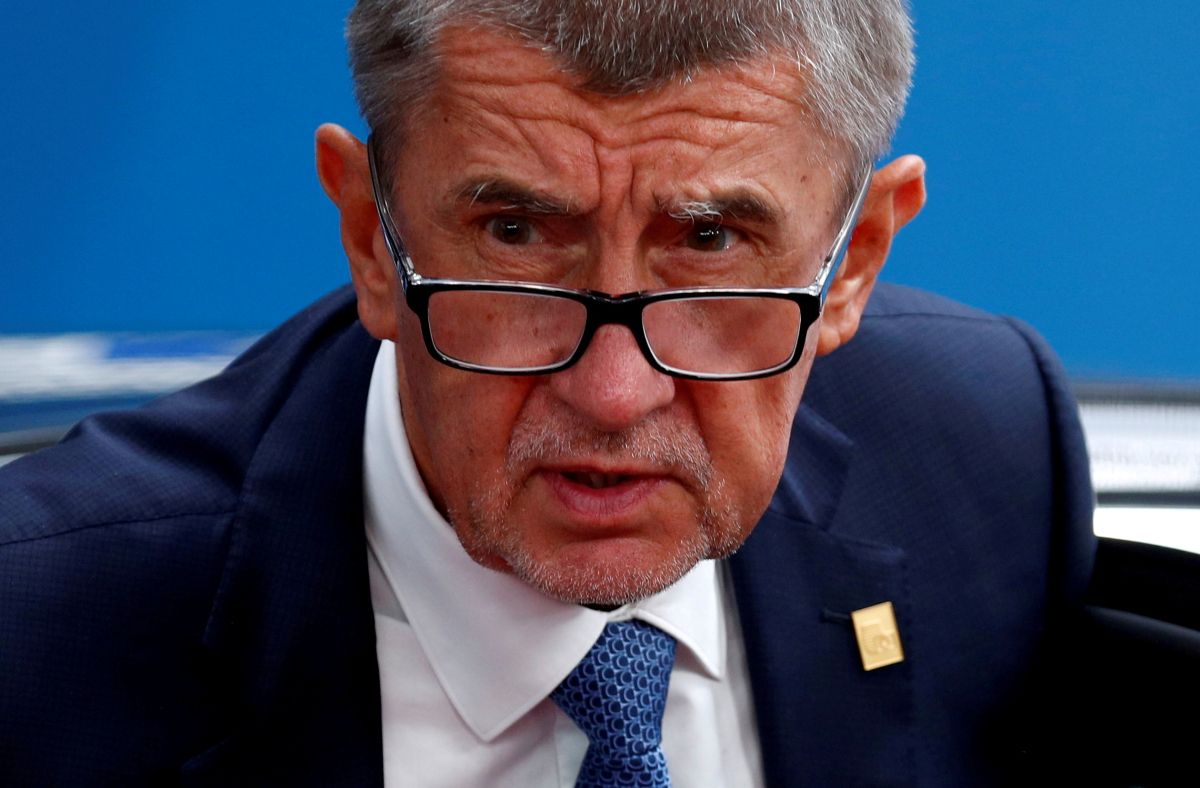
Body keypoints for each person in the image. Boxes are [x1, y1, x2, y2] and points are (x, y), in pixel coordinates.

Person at [0, 1, 1095, 785]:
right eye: (516, 235)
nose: (614, 393)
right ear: (372, 238)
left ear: (854, 262)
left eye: (709, 243)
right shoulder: (36, 634)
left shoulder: (982, 455)